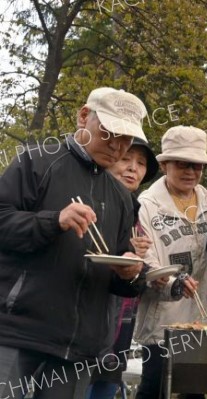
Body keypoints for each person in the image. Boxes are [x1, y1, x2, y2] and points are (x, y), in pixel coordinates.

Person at [0, 87, 148, 398]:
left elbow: (121, 265)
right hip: (17, 332)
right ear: (83, 117)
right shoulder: (37, 162)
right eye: (109, 133)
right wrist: (53, 221)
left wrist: (131, 274)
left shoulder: (122, 196)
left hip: (78, 348)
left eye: (126, 139)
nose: (118, 147)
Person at [134, 126, 207, 399]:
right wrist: (173, 283)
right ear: (164, 165)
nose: (190, 172)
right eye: (182, 164)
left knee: (194, 389)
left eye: (197, 166)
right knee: (155, 386)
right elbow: (144, 257)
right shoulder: (146, 205)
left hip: (201, 314)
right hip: (162, 314)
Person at [86, 137, 159, 399]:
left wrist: (140, 261)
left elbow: (134, 268)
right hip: (85, 315)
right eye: (126, 159)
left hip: (121, 319)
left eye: (140, 163)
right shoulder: (88, 200)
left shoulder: (135, 211)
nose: (133, 168)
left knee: (106, 386)